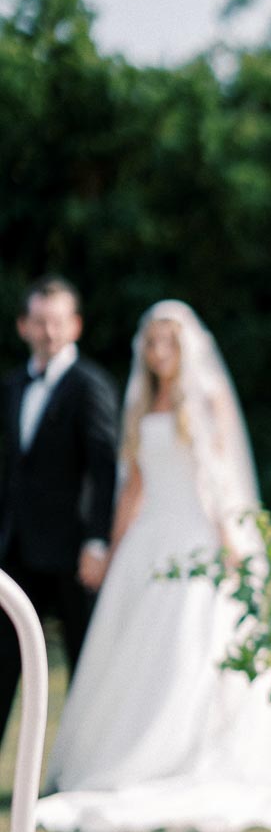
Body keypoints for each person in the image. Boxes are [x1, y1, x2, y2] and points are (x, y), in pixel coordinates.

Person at [37, 299, 271, 832]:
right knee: (135, 653)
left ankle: (188, 753)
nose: (159, 352)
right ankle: (128, 756)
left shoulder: (205, 399)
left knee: (193, 648)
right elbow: (132, 486)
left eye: (169, 342)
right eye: (152, 341)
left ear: (185, 347)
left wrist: (230, 538)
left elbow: (219, 475)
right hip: (148, 540)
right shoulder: (140, 402)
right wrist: (112, 552)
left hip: (197, 536)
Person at [0, 275, 118, 746]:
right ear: (23, 326)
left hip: (73, 552)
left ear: (76, 326)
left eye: (58, 322)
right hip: (18, 547)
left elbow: (105, 469)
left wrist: (97, 541)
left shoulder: (91, 386)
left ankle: (87, 760)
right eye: (39, 321)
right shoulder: (12, 386)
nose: (48, 332)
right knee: (3, 657)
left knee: (86, 663)